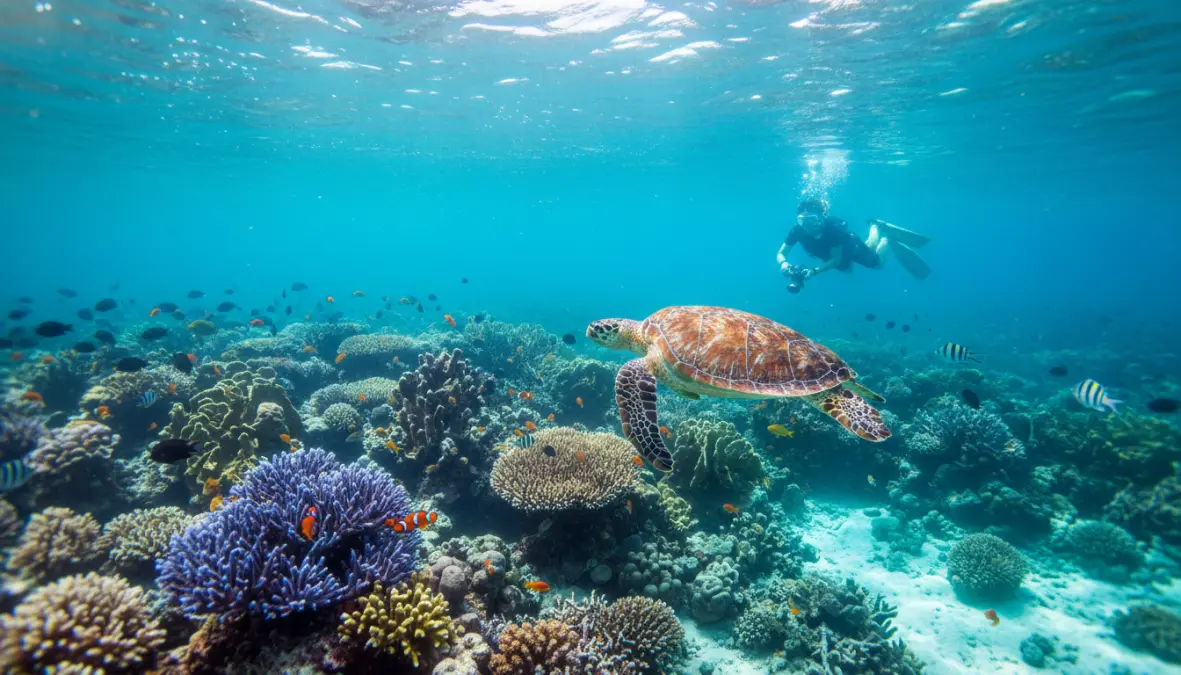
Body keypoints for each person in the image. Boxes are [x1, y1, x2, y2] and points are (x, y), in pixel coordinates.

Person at [776, 199, 931, 293]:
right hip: (830, 254)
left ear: (821, 218)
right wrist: (784, 264)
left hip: (851, 247)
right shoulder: (797, 231)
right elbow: (782, 253)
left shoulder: (833, 230)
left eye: (812, 220)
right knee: (847, 270)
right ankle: (877, 230)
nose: (807, 225)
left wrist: (813, 271)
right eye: (803, 220)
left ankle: (879, 230)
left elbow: (835, 261)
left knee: (877, 263)